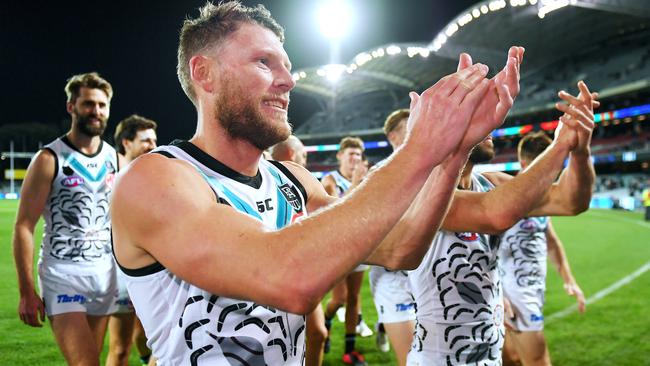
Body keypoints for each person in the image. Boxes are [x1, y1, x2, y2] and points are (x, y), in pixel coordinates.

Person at [111, 2, 520, 365]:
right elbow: (288, 278)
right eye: (264, 63)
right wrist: (421, 147)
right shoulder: (156, 178)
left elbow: (401, 248)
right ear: (205, 73)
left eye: (287, 67)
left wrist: (454, 153)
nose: (288, 81)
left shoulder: (293, 180)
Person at [406, 73, 599, 366]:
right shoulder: (421, 191)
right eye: (478, 115)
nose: (492, 124)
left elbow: (570, 201)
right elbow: (493, 214)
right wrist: (559, 146)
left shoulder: (491, 183)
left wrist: (580, 151)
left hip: (489, 356)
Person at [13, 72, 117, 366]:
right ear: (71, 107)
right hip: (63, 276)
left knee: (91, 360)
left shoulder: (113, 158)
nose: (95, 111)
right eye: (88, 104)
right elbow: (24, 225)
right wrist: (26, 291)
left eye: (101, 105)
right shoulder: (49, 159)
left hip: (105, 275)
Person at [500, 132, 585, 366]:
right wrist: (498, 294)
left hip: (532, 288)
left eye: (555, 167)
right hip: (515, 292)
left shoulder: (540, 197)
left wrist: (569, 279)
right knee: (537, 359)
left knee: (512, 357)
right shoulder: (505, 198)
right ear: (524, 164)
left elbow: (552, 241)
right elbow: (482, 250)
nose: (552, 174)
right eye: (545, 167)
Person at [367, 109, 418, 366]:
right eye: (410, 127)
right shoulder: (379, 174)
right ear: (393, 137)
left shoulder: (430, 168)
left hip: (425, 275)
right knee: (411, 359)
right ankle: (388, 321)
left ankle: (384, 325)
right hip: (392, 276)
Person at [271, 135, 327, 366]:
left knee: (317, 333)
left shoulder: (298, 179)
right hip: (267, 279)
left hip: (299, 274)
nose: (306, 159)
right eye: (304, 154)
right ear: (293, 154)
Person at [108, 114, 158, 366]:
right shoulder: (109, 177)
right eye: (146, 140)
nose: (153, 145)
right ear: (126, 142)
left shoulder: (153, 177)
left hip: (152, 273)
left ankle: (146, 358)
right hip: (118, 274)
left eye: (154, 140)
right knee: (120, 347)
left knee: (151, 338)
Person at [321, 136, 371, 365]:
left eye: (358, 155)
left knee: (354, 298)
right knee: (339, 298)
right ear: (340, 156)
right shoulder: (329, 180)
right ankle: (326, 324)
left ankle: (349, 350)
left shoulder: (366, 179)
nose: (354, 159)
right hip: (335, 247)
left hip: (359, 244)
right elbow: (335, 212)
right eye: (350, 154)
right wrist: (355, 184)